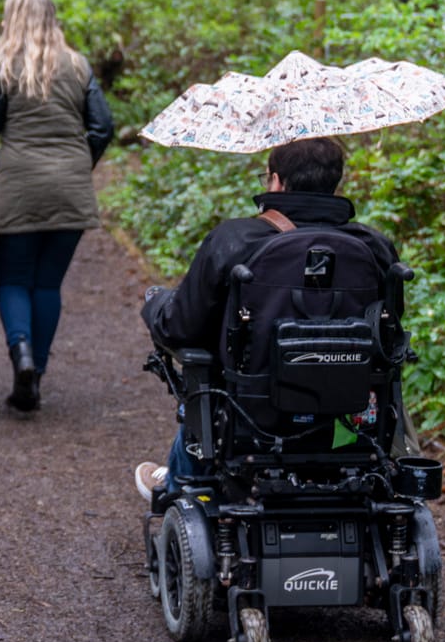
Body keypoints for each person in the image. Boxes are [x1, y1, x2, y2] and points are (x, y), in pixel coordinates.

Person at [133, 136, 400, 500]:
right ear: (335, 182)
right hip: (348, 418)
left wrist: (156, 303)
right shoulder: (374, 248)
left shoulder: (234, 240)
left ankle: (182, 480)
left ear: (275, 180)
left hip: (253, 417)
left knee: (205, 367)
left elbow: (181, 326)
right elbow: (387, 333)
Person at [0, 0, 114, 412]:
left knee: (13, 280)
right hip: (70, 188)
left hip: (20, 185)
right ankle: (35, 373)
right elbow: (103, 127)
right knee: (47, 284)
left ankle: (20, 353)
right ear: (51, 19)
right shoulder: (77, 65)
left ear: (13, 20)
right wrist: (79, 164)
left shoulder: (4, 66)